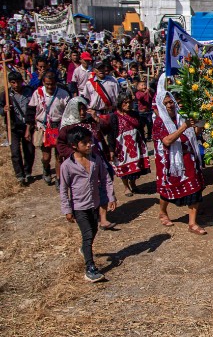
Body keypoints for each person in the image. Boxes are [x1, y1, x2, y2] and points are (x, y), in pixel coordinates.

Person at [59, 126, 117, 283]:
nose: (89, 145)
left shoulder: (95, 160)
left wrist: (111, 197)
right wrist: (66, 209)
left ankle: (85, 249)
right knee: (88, 234)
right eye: (84, 143)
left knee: (94, 229)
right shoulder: (67, 166)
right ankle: (90, 268)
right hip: (79, 207)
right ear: (74, 145)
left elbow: (105, 179)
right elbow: (63, 189)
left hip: (94, 204)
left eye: (89, 141)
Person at [152, 74, 206, 234]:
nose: (170, 105)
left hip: (188, 158)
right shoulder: (159, 123)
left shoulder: (181, 117)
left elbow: (194, 133)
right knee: (168, 189)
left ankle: (192, 223)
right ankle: (163, 211)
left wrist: (200, 123)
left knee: (195, 188)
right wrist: (183, 127)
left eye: (171, 102)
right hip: (170, 162)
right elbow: (167, 141)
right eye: (166, 103)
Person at [26, 71, 69, 186]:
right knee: (46, 156)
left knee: (59, 156)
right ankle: (46, 168)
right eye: (47, 84)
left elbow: (69, 112)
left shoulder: (63, 94)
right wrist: (28, 129)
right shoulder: (38, 93)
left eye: (52, 84)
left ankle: (59, 180)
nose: (50, 87)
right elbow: (30, 112)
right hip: (44, 128)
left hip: (59, 127)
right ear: (44, 83)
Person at [107, 94, 150, 196]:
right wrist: (111, 149)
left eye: (129, 102)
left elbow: (140, 129)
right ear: (120, 104)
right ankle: (126, 187)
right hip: (121, 146)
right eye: (125, 103)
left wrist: (143, 142)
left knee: (136, 166)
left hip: (135, 145)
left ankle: (133, 184)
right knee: (124, 167)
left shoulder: (135, 114)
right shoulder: (114, 117)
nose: (128, 105)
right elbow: (111, 134)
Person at [2, 71, 35, 184]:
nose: (16, 85)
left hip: (28, 125)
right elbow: (0, 108)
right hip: (13, 127)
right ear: (10, 83)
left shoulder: (30, 91)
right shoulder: (5, 95)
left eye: (18, 82)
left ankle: (28, 172)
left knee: (29, 151)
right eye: (13, 83)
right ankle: (19, 175)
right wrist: (4, 110)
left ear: (22, 81)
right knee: (15, 152)